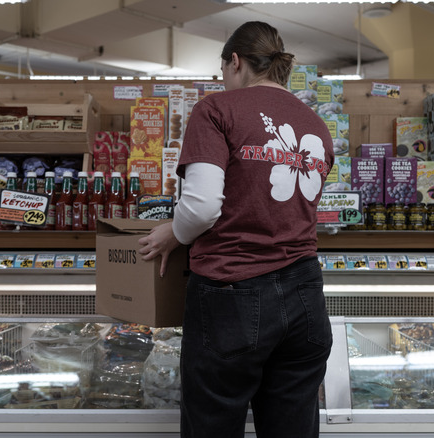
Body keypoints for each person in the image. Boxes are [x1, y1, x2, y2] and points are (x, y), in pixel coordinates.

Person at [138, 21, 335, 438]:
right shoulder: (316, 125)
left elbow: (203, 206)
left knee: (213, 425)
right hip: (305, 292)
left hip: (233, 292)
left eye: (223, 71)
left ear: (236, 61)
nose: (223, 81)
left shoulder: (217, 109)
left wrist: (173, 233)